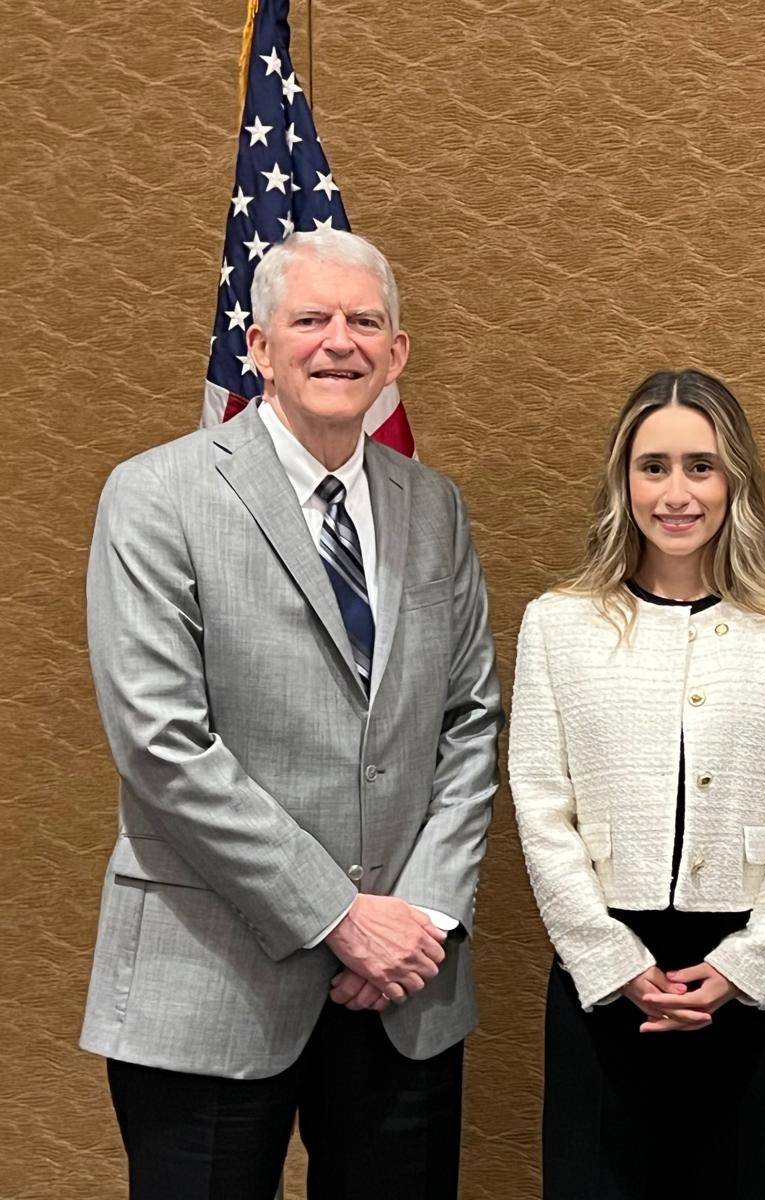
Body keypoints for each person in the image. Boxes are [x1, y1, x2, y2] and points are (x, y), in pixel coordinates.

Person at [80, 229, 503, 1199]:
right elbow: (161, 741)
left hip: (405, 985)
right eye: (309, 320)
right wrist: (337, 918)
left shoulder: (434, 507)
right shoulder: (156, 495)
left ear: (396, 353)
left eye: (365, 322)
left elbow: (472, 720)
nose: (338, 342)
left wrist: (420, 920)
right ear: (260, 347)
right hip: (210, 982)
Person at [508, 369, 765, 1199]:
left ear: (736, 479)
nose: (676, 492)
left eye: (702, 465)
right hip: (605, 981)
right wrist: (609, 958)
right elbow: (541, 806)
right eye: (652, 466)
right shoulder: (559, 622)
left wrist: (748, 963)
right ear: (623, 481)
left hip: (751, 985)